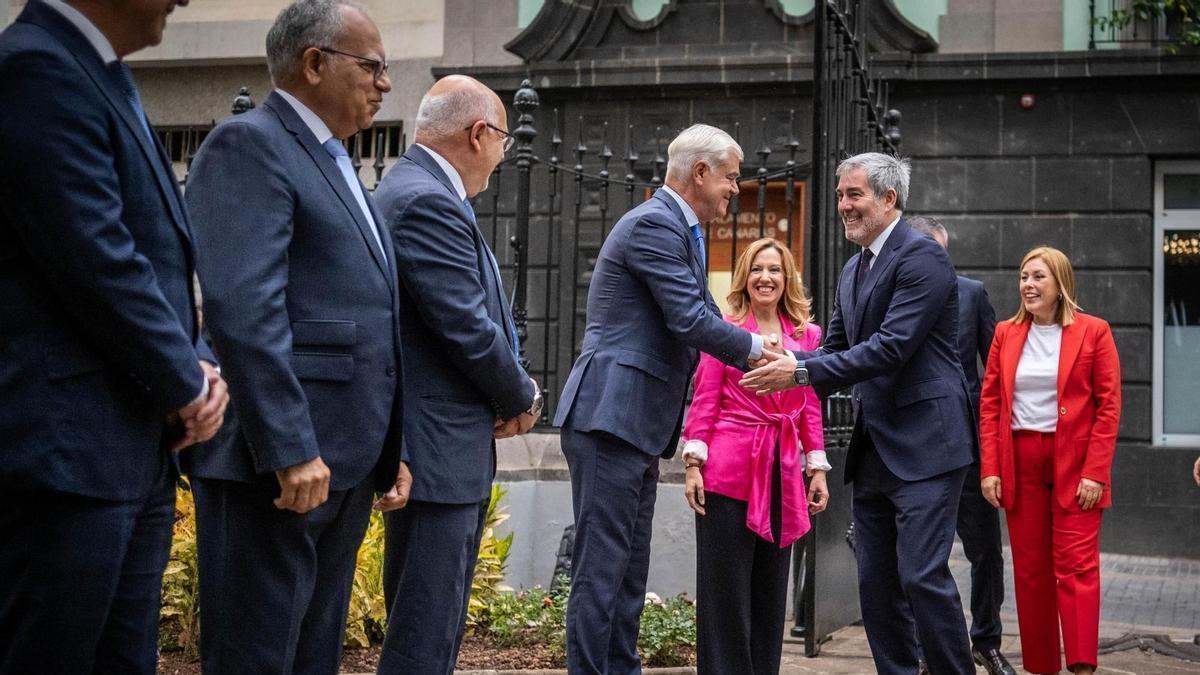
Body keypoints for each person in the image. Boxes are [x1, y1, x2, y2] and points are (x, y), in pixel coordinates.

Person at [0, 0, 230, 671]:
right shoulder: (36, 68)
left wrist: (195, 362)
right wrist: (186, 379)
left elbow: (156, 260)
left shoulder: (97, 72)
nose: (182, 0)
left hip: (128, 451)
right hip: (62, 461)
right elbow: (94, 253)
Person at [182, 1, 405, 672]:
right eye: (372, 66)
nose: (385, 82)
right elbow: (245, 305)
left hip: (342, 464)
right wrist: (288, 444)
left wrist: (387, 448)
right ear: (314, 64)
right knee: (258, 655)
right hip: (275, 466)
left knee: (311, 657)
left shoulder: (335, 161)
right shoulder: (250, 144)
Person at [740, 152, 976, 674]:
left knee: (921, 575)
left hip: (929, 444)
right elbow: (838, 348)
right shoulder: (854, 266)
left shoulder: (922, 257)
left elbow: (891, 347)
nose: (843, 205)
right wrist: (792, 363)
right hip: (875, 452)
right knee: (875, 583)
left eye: (854, 195)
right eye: (841, 195)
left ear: (888, 199)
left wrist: (798, 372)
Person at [554, 123, 774, 675]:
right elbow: (690, 318)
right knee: (602, 570)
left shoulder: (680, 230)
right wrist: (756, 348)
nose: (734, 190)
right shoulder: (654, 225)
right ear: (700, 173)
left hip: (636, 423)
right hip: (611, 415)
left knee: (629, 569)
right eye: (730, 178)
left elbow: (703, 321)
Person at [371, 74, 542, 674]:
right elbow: (466, 327)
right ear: (479, 133)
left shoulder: (425, 192)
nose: (501, 157)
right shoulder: (424, 199)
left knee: (433, 630)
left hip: (446, 449)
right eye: (502, 142)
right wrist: (523, 395)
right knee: (424, 634)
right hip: (436, 452)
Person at [680, 238, 830, 675]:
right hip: (726, 474)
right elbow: (705, 399)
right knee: (724, 594)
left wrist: (815, 467)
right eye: (758, 269)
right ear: (745, 276)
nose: (766, 277)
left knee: (769, 592)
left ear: (787, 280)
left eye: (775, 270)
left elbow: (811, 407)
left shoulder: (808, 336)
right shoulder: (724, 331)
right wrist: (693, 464)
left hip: (782, 475)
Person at [979, 246, 1121, 675]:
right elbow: (990, 404)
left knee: (1076, 566)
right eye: (1023, 277)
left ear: (1060, 285)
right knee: (1030, 570)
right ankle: (1041, 666)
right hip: (1020, 461)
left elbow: (1108, 407)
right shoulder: (1005, 332)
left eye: (1038, 277)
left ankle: (1081, 665)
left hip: (1075, 465)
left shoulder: (1094, 332)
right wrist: (990, 468)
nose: (1028, 285)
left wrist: (1096, 472)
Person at [908, 216, 1014, 675]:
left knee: (986, 549)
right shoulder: (896, 294)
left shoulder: (971, 293)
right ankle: (924, 647)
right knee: (919, 557)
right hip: (914, 447)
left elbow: (995, 373)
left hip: (969, 447)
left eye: (940, 253)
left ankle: (985, 640)